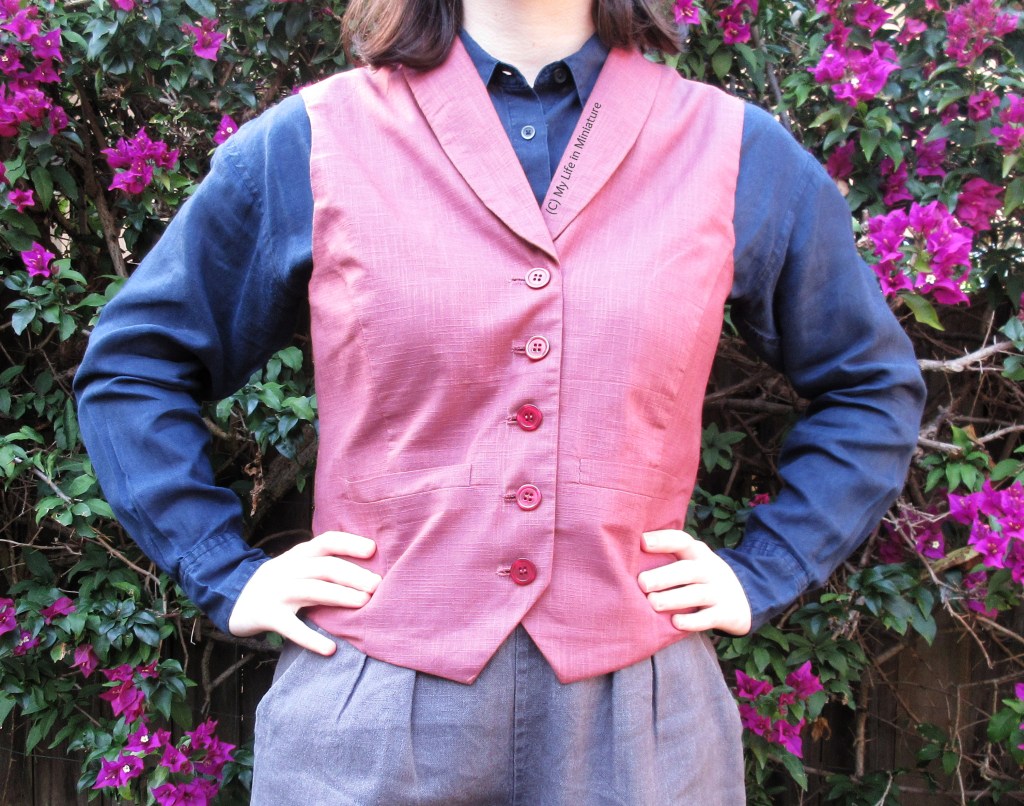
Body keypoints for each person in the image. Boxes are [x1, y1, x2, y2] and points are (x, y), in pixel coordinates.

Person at [74, 0, 927, 802]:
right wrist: (225, 571)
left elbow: (869, 386)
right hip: (371, 712)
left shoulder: (733, 149)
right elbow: (134, 367)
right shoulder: (315, 139)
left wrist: (764, 570)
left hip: (643, 726)